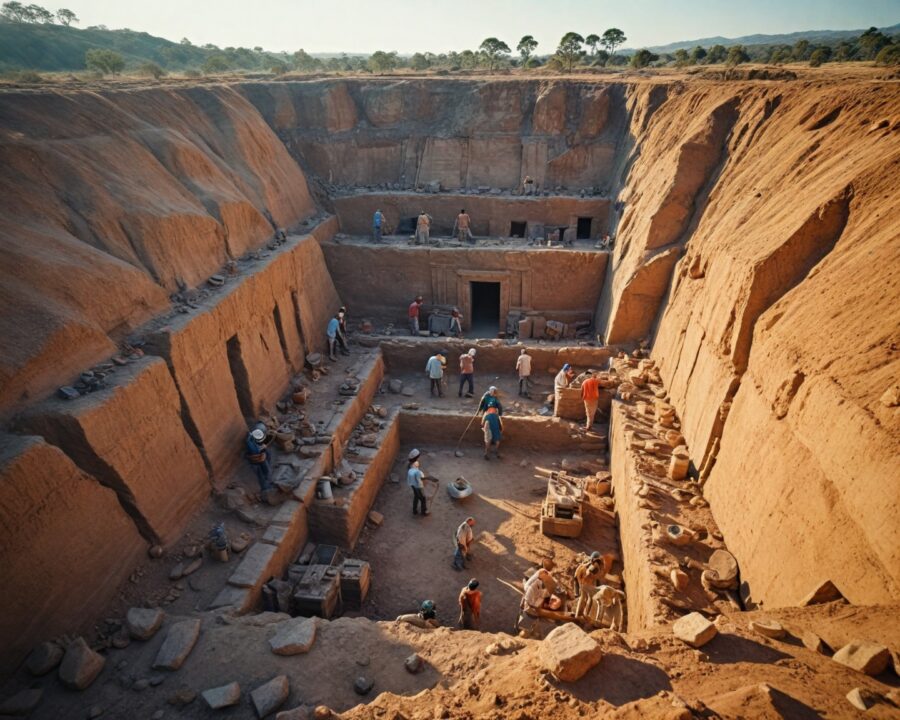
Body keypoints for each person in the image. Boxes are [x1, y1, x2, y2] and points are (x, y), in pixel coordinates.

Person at [515, 568, 551, 636]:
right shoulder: (538, 586)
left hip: (529, 610)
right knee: (523, 619)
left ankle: (521, 630)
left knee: (523, 620)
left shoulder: (533, 586)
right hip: (530, 610)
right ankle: (521, 629)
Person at [245, 427, 273, 493]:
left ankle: (267, 481)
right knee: (263, 472)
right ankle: (266, 488)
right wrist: (263, 447)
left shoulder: (252, 436)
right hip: (257, 460)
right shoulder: (251, 445)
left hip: (259, 456)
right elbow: (257, 451)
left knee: (268, 458)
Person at [407, 449, 429, 516]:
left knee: (416, 496)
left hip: (412, 483)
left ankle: (414, 510)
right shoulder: (417, 471)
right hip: (418, 485)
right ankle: (423, 512)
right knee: (423, 498)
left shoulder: (409, 465)